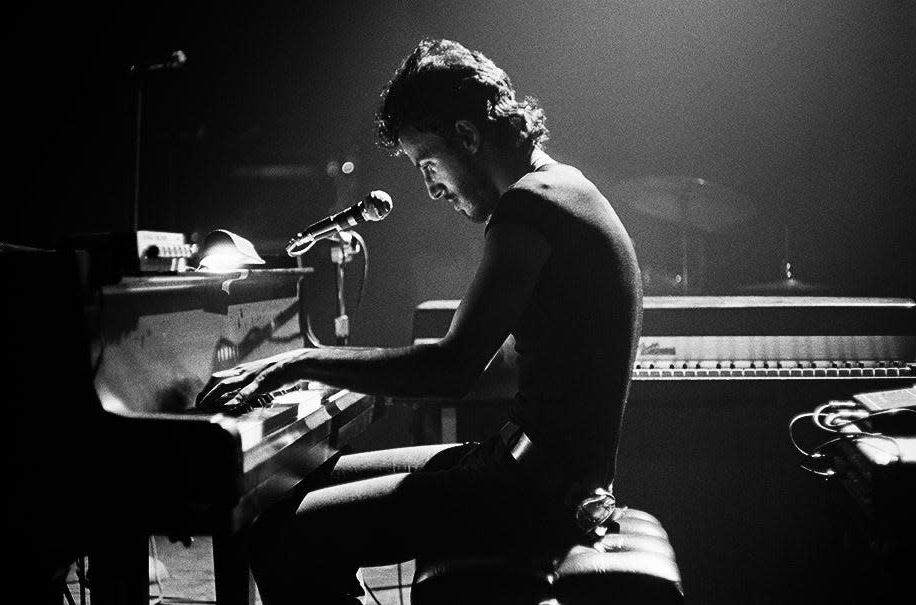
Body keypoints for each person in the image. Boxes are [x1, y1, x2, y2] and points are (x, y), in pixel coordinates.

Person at [196, 37, 642, 604]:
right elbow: (504, 368)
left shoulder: (530, 206)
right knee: (290, 492)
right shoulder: (566, 189)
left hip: (533, 494)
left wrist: (302, 362)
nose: (430, 188)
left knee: (283, 536)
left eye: (427, 163)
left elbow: (451, 370)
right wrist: (374, 380)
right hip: (526, 472)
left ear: (467, 136)